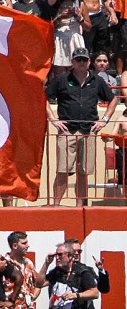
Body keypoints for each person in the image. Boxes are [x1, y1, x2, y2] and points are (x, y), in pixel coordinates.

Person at [46, 50, 117, 206]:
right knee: (62, 170)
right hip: (67, 130)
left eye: (84, 60)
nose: (81, 62)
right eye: (78, 59)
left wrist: (104, 120)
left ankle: (80, 206)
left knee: (84, 172)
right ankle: (55, 205)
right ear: (72, 62)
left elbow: (113, 100)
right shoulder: (61, 79)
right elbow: (42, 97)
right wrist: (53, 119)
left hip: (88, 130)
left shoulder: (97, 81)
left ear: (89, 62)